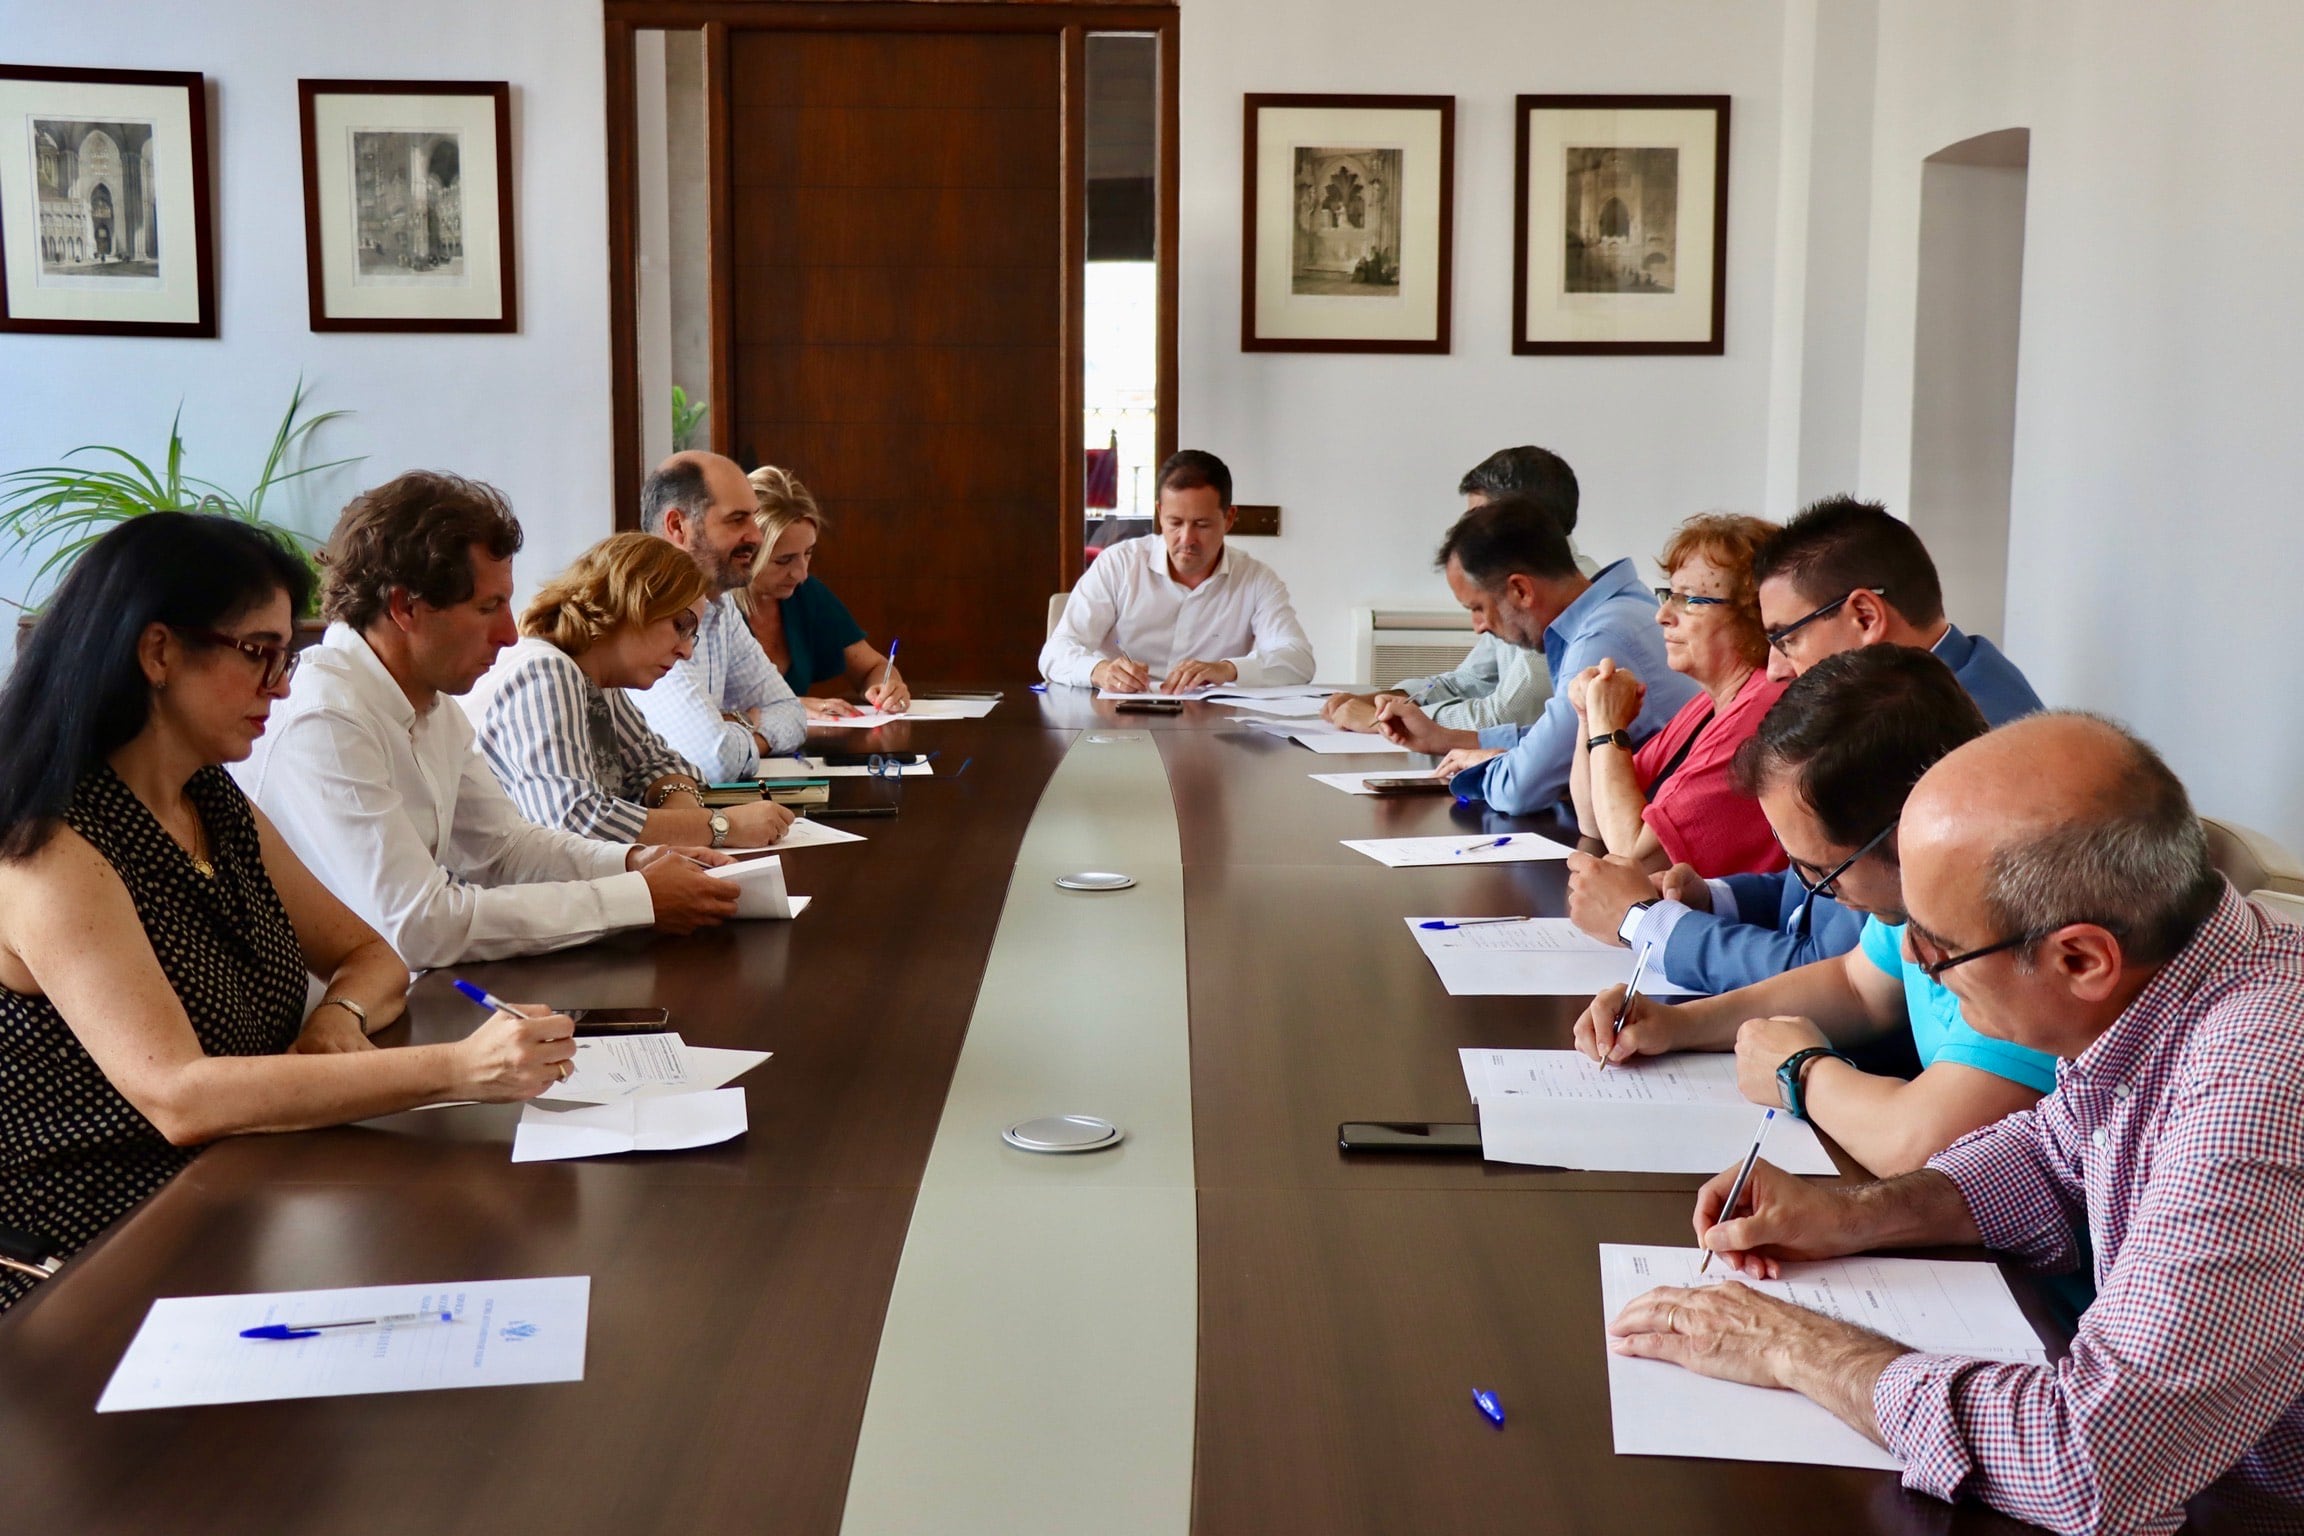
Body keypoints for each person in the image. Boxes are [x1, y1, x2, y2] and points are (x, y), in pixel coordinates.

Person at [1606, 714, 2304, 1536]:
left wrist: (1795, 1347)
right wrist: (1853, 1213)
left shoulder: (2260, 1081)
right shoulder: (2175, 980)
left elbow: (2090, 1461)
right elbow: (2052, 1153)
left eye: (1939, 947)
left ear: (2080, 959)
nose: (1914, 963)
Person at [0, 515, 575, 1313]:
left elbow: (371, 954)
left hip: (244, 1195)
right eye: (257, 653)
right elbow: (180, 1096)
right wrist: (458, 1069)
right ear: (158, 652)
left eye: (286, 656)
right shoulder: (50, 848)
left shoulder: (209, 798)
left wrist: (339, 1016)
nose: (279, 685)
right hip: (95, 1260)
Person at [234, 472, 739, 971]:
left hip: (402, 989)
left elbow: (505, 848)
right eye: (488, 607)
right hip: (336, 1008)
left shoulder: (432, 704)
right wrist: (636, 898)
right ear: (405, 607)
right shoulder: (327, 716)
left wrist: (633, 863)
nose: (509, 634)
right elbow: (417, 926)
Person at [1570, 671, 2058, 1177]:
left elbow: (1918, 1142)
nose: (1812, 889)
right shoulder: (1917, 889)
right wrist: (1678, 1024)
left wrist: (1800, 1072)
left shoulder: (2018, 922)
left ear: (1905, 834)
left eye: (1822, 870)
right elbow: (1855, 987)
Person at [1566, 647, 1977, 995]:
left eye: (1786, 637)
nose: (1774, 666)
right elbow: (1803, 893)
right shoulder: (1853, 847)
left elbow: (1825, 974)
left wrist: (1641, 921)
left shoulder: (1889, 764)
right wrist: (1712, 899)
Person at [466, 532, 797, 849]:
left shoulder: (597, 678)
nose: (686, 651)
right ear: (631, 601)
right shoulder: (544, 671)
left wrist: (687, 825)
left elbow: (661, 765)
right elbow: (574, 823)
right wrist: (720, 827)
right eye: (681, 626)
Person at [1394, 498, 1696, 816]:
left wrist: (1499, 764)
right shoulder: (1623, 605)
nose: (1478, 626)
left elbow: (1521, 789)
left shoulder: (1601, 640)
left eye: (1478, 608)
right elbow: (1553, 741)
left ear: (1521, 590)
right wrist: (1450, 739)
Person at [1564, 513, 1788, 876]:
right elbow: (1593, 819)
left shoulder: (1762, 710)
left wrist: (1607, 728)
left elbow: (1636, 856)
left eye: (1689, 600)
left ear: (1752, 613)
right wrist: (1588, 718)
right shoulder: (1707, 705)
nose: (1663, 615)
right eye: (1670, 595)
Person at [1322, 446, 1584, 739]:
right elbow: (1468, 681)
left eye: (1477, 518)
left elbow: (1505, 717)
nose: (1466, 532)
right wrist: (1392, 699)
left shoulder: (1558, 596)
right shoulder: (1508, 585)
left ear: (1524, 521)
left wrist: (1386, 719)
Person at [1039, 449, 1314, 693]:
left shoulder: (1255, 579)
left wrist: (1227, 669)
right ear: (1160, 513)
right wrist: (1099, 671)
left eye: (1202, 525)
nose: (1186, 539)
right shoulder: (1119, 564)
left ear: (1229, 519)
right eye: (1175, 522)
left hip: (1209, 724)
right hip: (1118, 718)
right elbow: (1054, 653)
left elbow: (1299, 661)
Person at [1756, 495, 2041, 725]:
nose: (1774, 672)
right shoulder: (1972, 671)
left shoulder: (1946, 735)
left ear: (1865, 617)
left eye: (1787, 640)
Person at [631, 451, 807, 778]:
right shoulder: (643, 610)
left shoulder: (719, 607)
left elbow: (792, 713)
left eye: (754, 518)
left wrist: (732, 724)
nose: (756, 536)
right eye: (737, 520)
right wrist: (748, 723)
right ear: (677, 526)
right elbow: (713, 759)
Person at [732, 465, 910, 718]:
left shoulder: (806, 594)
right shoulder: (713, 609)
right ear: (745, 553)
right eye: (783, 560)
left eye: (808, 553)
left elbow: (872, 667)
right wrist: (788, 707)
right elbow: (698, 710)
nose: (801, 573)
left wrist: (887, 688)